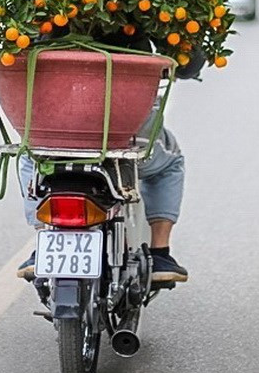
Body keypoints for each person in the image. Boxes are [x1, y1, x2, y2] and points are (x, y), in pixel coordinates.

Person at [16, 28, 205, 284]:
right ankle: (160, 253)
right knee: (170, 163)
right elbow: (187, 65)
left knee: (29, 155)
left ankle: (43, 240)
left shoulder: (41, 9)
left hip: (58, 130)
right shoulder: (140, 5)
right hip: (125, 131)